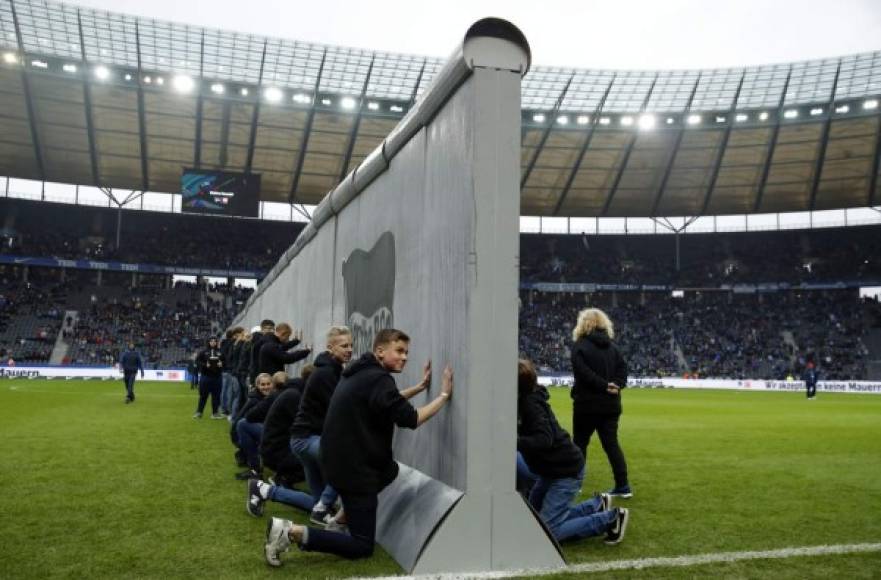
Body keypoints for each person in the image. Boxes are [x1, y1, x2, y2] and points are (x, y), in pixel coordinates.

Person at [264, 328, 452, 566]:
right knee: (362, 546)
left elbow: (387, 402)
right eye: (400, 351)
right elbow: (411, 419)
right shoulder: (378, 378)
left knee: (389, 471)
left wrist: (418, 387)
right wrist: (444, 395)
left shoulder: (362, 372)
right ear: (380, 351)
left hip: (340, 461)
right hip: (353, 470)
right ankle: (290, 532)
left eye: (407, 353)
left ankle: (340, 519)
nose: (404, 357)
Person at [518, 358, 628, 545]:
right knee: (534, 520)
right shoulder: (528, 399)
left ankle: (611, 519)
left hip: (565, 472)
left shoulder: (530, 405)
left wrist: (514, 441)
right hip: (551, 471)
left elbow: (545, 439)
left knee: (547, 531)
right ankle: (596, 505)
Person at [288, 326, 353, 525]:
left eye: (351, 345)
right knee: (346, 462)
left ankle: (320, 512)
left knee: (317, 493)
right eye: (344, 346)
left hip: (301, 439)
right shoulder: (326, 374)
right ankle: (322, 508)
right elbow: (338, 409)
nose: (349, 349)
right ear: (330, 348)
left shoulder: (330, 370)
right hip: (307, 439)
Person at [570, 308, 632, 498]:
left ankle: (575, 484)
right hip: (611, 405)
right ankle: (623, 486)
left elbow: (584, 374)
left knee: (580, 444)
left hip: (586, 405)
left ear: (583, 324)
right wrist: (616, 385)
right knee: (611, 445)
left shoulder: (580, 346)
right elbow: (623, 371)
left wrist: (604, 385)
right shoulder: (613, 348)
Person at [194, 337, 225, 419]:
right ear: (208, 342)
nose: (213, 342)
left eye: (215, 341)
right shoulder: (203, 352)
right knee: (203, 395)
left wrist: (222, 364)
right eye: (211, 341)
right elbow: (197, 361)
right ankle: (199, 412)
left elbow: (226, 361)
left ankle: (215, 413)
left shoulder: (220, 352)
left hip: (217, 377)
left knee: (216, 396)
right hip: (206, 377)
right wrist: (205, 365)